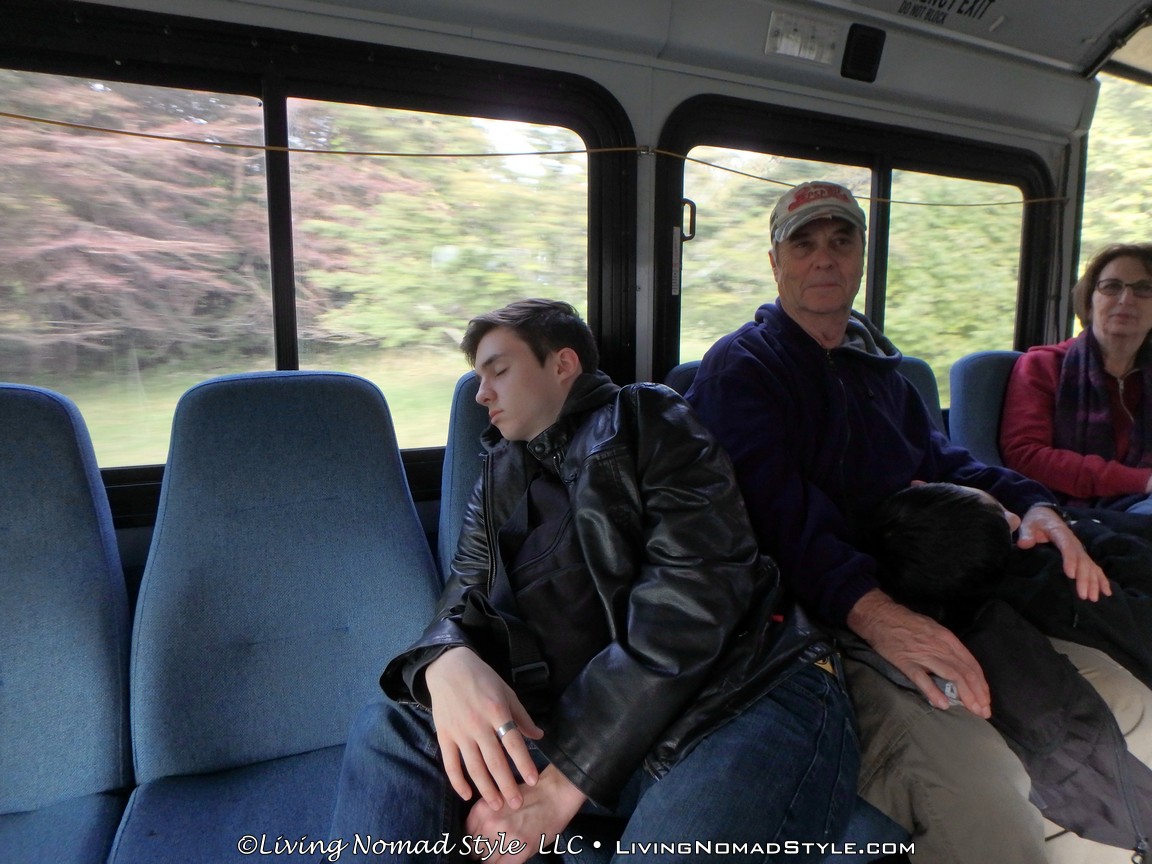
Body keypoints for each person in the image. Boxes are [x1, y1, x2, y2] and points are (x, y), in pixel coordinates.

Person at [684, 180, 1152, 864]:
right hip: (828, 611)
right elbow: (775, 518)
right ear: (775, 262)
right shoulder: (743, 369)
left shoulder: (878, 368)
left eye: (841, 240)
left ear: (862, 256)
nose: (824, 257)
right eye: (803, 244)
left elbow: (945, 458)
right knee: (994, 783)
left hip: (931, 568)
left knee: (1107, 618)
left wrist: (1036, 504)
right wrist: (877, 615)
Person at [328, 299, 858, 863]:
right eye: (478, 377)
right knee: (395, 726)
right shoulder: (499, 474)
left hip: (740, 695)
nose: (481, 394)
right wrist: (445, 658)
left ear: (563, 364)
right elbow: (463, 592)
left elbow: (692, 603)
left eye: (498, 370)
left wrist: (559, 787)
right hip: (600, 717)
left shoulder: (648, 417)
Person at [1000, 243, 1152, 514]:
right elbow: (1026, 455)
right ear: (1089, 302)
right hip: (1062, 507)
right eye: (1111, 286)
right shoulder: (1043, 366)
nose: (1126, 299)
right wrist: (1142, 481)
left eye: (1144, 289)